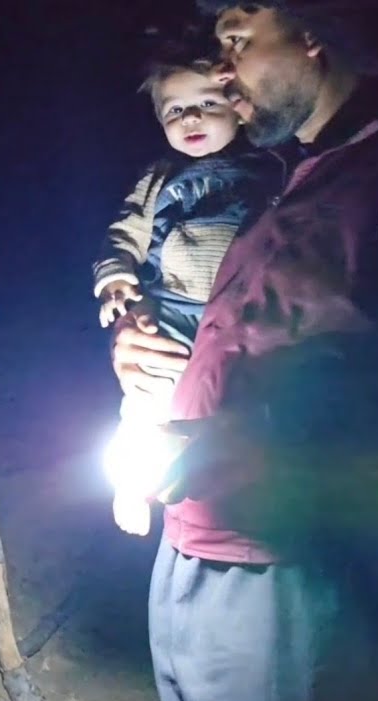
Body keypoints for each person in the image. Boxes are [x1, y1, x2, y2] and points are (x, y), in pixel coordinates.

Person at [108, 1, 378, 701]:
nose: (220, 66)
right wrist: (145, 352)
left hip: (290, 564)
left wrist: (253, 433)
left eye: (238, 40)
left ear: (312, 35)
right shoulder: (287, 180)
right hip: (192, 540)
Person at [94, 46, 276, 535]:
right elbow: (124, 233)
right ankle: (134, 482)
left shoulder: (268, 168)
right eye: (175, 110)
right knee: (148, 396)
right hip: (173, 308)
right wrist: (114, 278)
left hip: (239, 312)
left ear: (240, 108)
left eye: (209, 104)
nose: (191, 117)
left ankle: (214, 485)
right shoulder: (158, 179)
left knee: (219, 403)